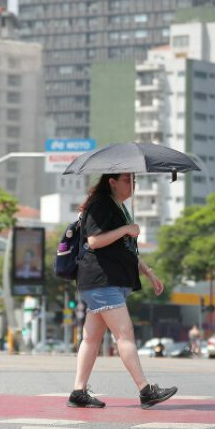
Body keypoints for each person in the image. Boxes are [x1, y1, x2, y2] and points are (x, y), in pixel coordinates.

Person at [68, 172, 177, 410]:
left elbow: (125, 249)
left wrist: (148, 272)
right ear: (112, 182)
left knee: (91, 337)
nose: (133, 185)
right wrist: (126, 228)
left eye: (134, 180)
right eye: (127, 180)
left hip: (108, 280)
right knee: (124, 334)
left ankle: (78, 391)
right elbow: (94, 241)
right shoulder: (101, 204)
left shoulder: (118, 206)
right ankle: (145, 390)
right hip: (101, 280)